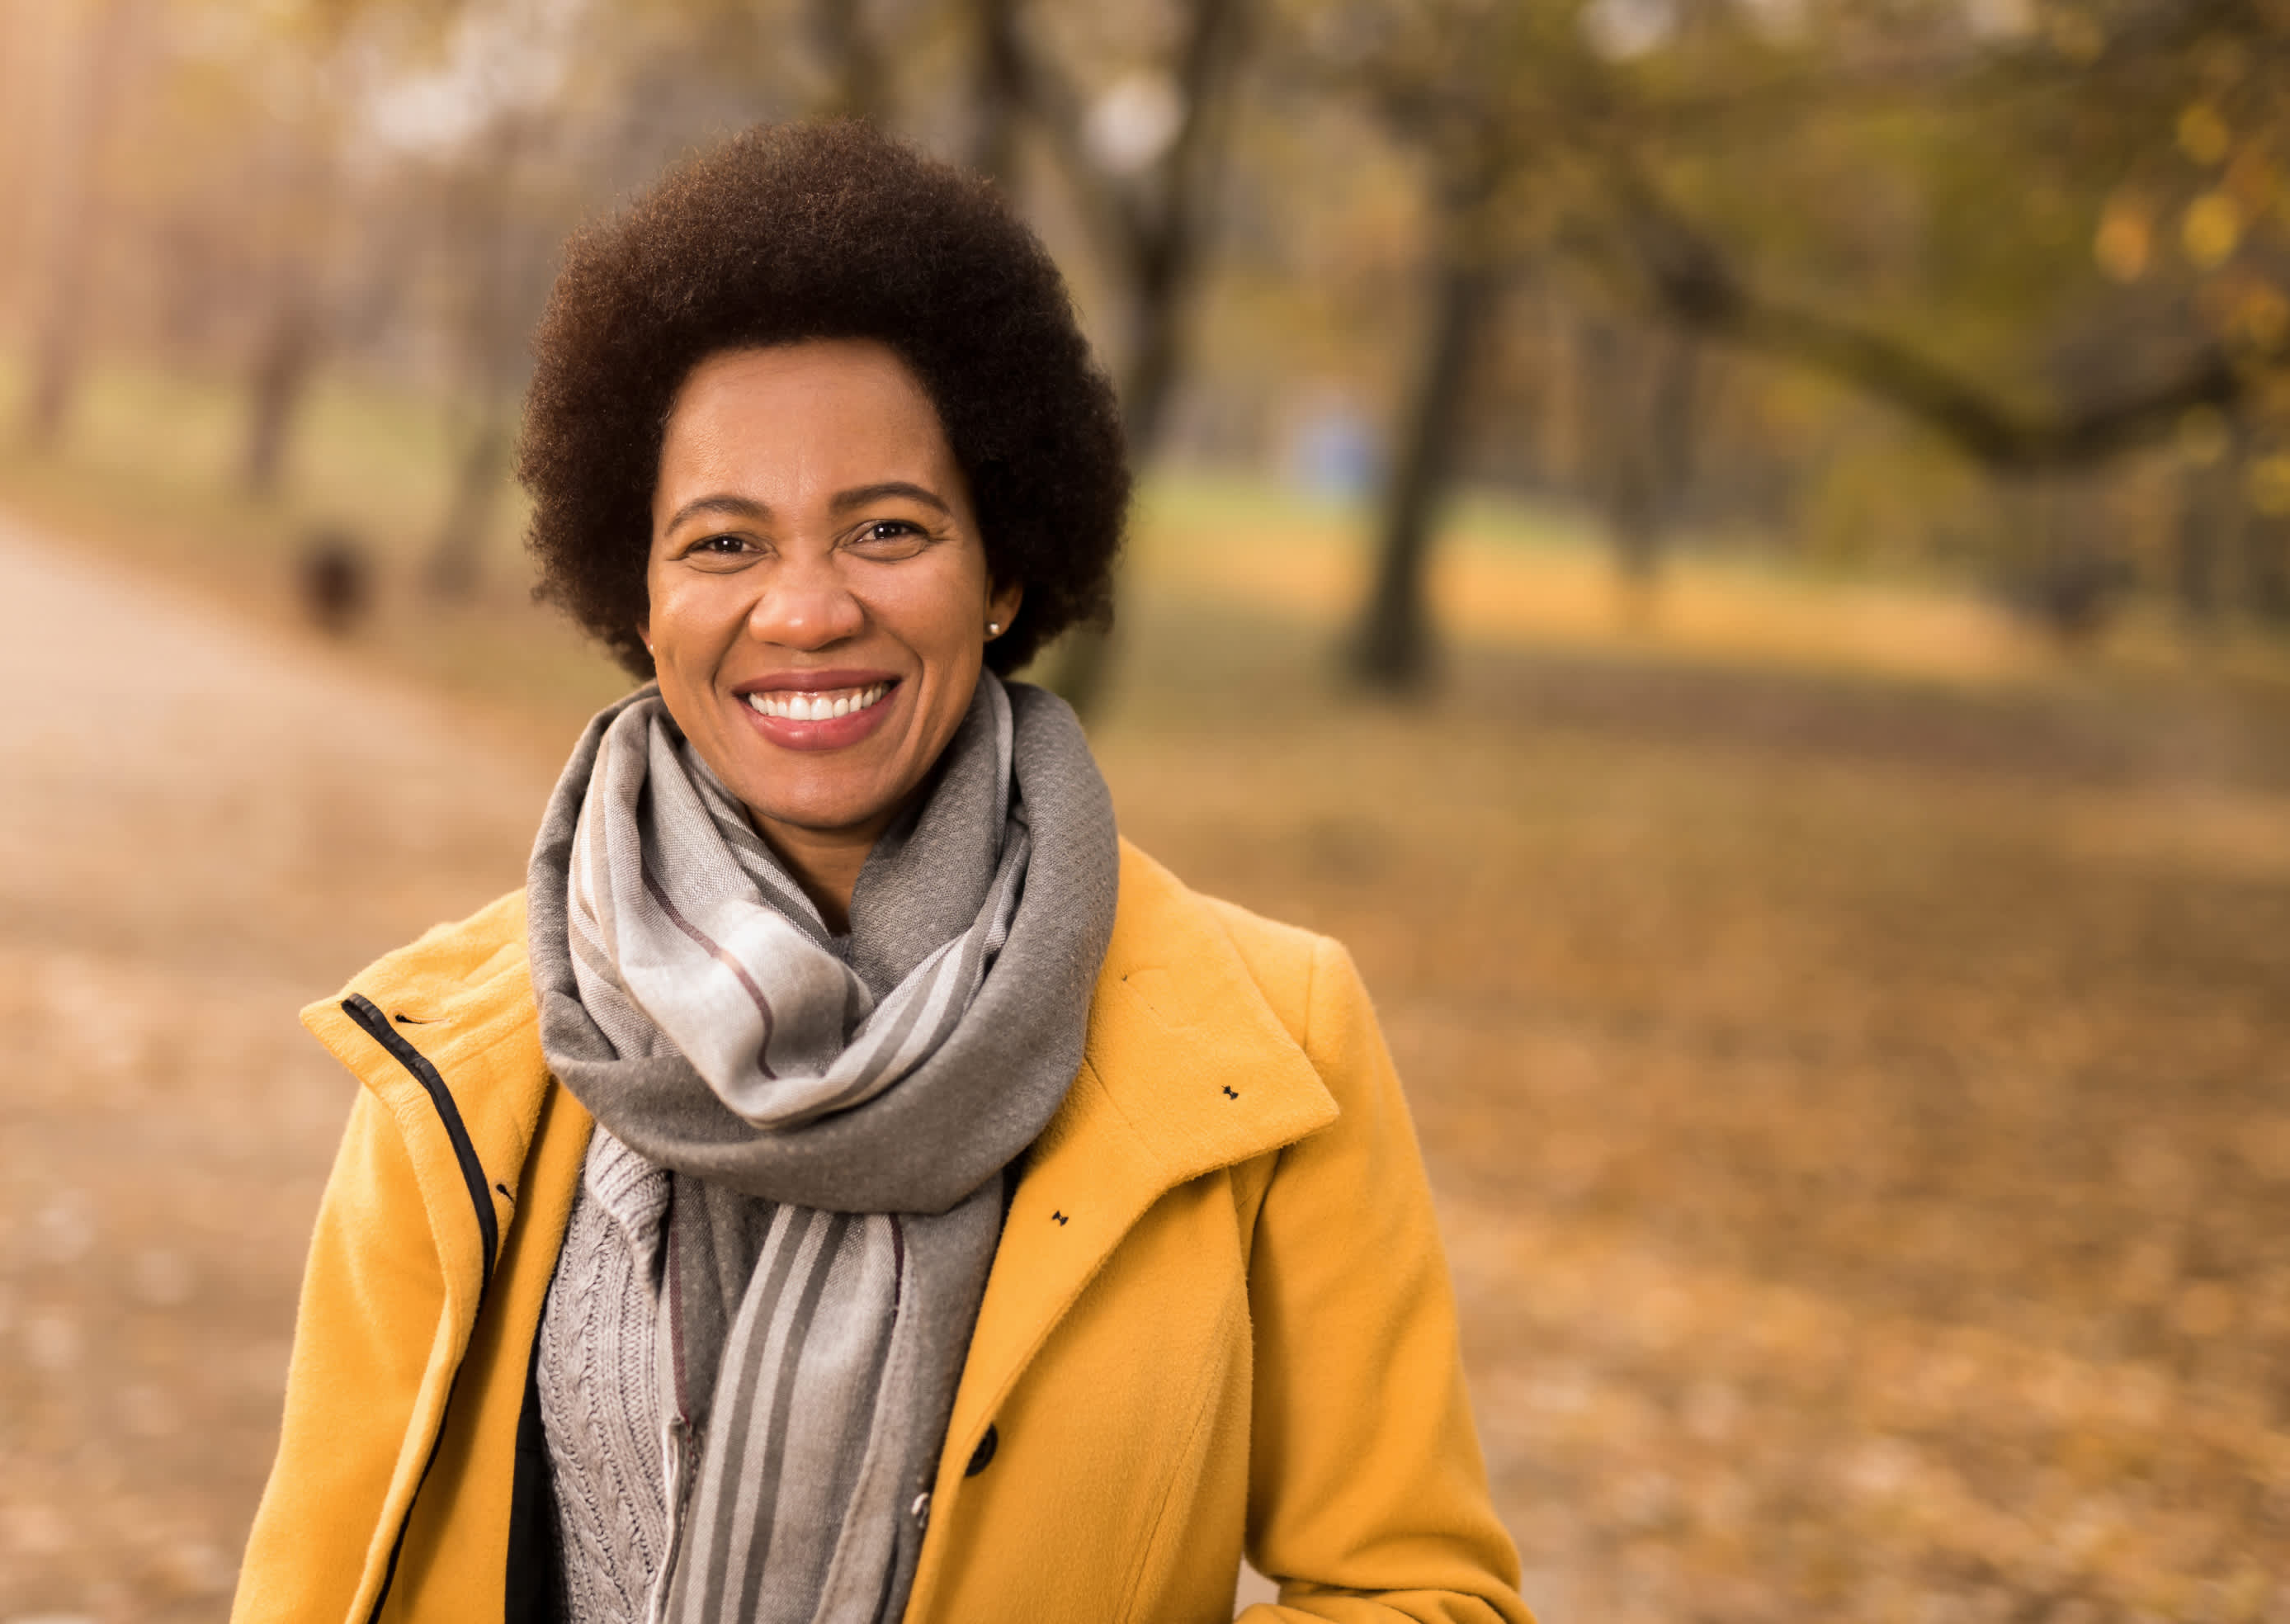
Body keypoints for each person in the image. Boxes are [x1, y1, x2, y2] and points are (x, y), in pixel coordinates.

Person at [229, 122, 1534, 1624]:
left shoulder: (1272, 1043)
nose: (804, 609)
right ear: (637, 594)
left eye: (888, 529)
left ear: (1005, 572)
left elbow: (1424, 1593)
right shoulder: (456, 1060)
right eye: (724, 542)